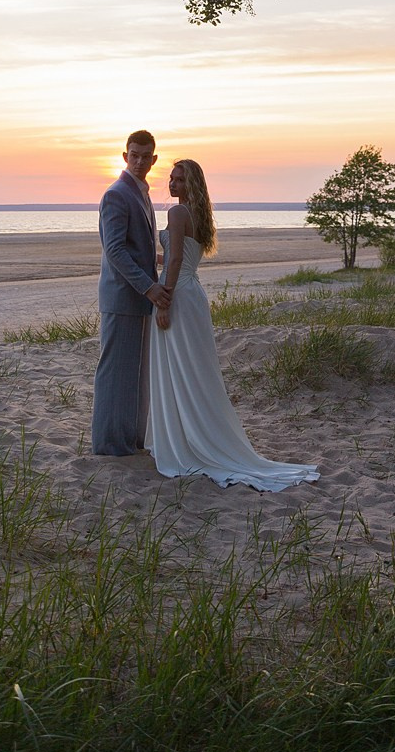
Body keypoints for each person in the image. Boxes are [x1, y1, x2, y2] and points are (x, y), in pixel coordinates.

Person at [146, 157, 318, 491]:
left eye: (179, 180)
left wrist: (163, 300)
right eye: (170, 178)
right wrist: (144, 257)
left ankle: (188, 441)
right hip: (192, 294)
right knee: (193, 371)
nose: (172, 184)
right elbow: (177, 257)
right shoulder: (199, 214)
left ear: (192, 183)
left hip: (178, 296)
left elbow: (177, 261)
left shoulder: (177, 213)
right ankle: (196, 433)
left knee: (181, 370)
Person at [92, 130, 171, 457]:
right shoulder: (117, 194)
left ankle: (130, 440)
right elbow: (115, 251)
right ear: (124, 157)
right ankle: (110, 444)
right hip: (123, 298)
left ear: (154, 160)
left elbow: (136, 248)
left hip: (138, 300)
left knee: (135, 376)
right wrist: (150, 287)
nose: (139, 161)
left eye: (145, 157)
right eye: (133, 155)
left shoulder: (141, 192)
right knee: (115, 373)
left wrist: (165, 262)